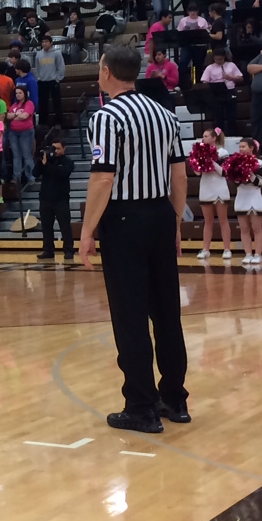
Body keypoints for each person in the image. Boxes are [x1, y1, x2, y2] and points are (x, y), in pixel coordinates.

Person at [78, 43, 189, 435]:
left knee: (130, 316)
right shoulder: (164, 114)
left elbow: (103, 178)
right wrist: (176, 222)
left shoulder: (107, 116)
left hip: (125, 220)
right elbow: (179, 175)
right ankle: (175, 399)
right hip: (161, 214)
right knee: (167, 312)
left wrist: (87, 231)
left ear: (107, 71)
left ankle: (141, 407)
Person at [193, 129, 232, 262]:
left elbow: (224, 172)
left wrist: (211, 161)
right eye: (203, 136)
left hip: (219, 187)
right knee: (208, 221)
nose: (203, 138)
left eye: (206, 136)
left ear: (214, 138)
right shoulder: (200, 152)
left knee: (223, 220)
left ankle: (227, 249)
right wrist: (197, 162)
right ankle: (206, 249)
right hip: (205, 187)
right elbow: (197, 173)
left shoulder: (223, 152)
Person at [35, 129, 74, 261]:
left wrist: (47, 165)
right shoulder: (47, 160)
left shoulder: (68, 162)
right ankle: (48, 250)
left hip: (61, 199)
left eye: (58, 148)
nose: (55, 151)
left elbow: (61, 173)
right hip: (45, 198)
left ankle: (69, 250)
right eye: (54, 148)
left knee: (65, 226)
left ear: (64, 148)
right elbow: (35, 173)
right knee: (46, 226)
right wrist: (40, 161)